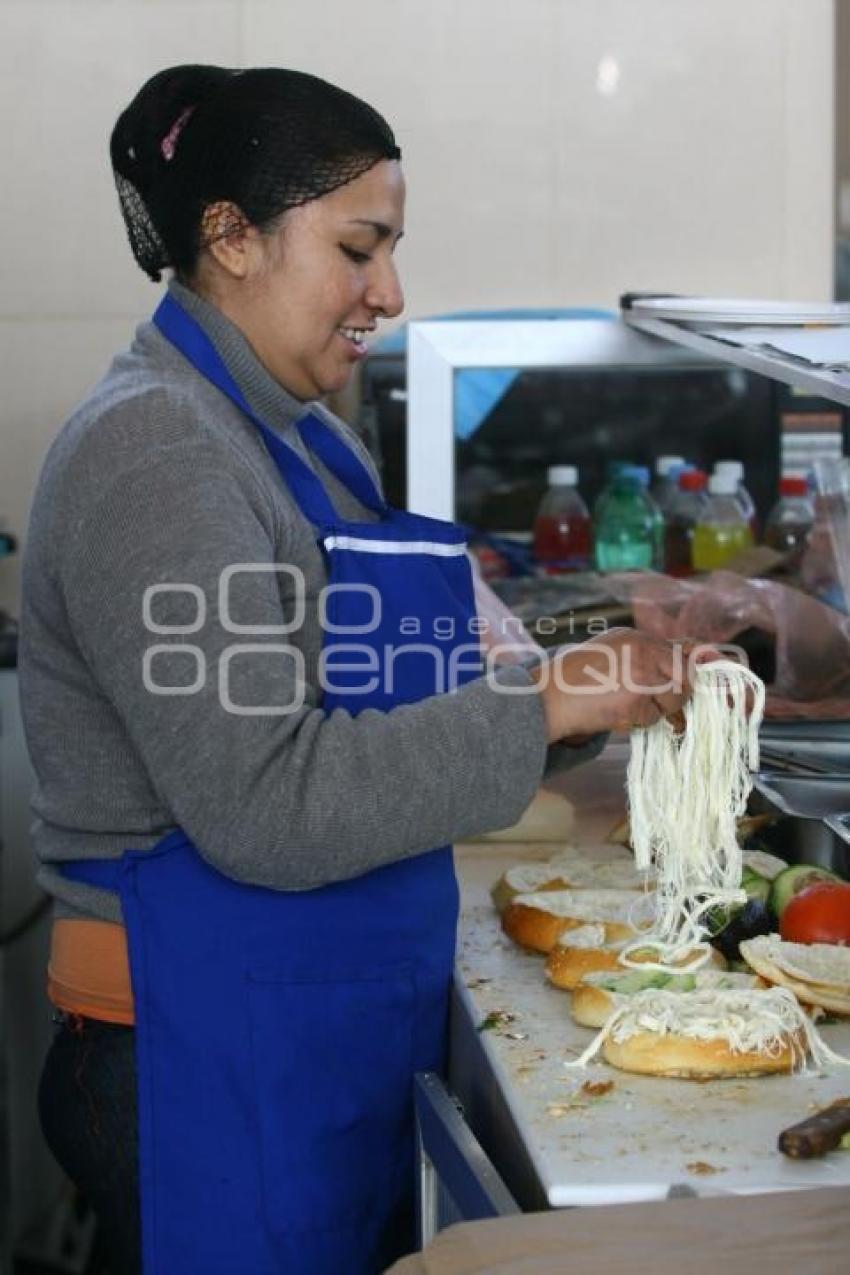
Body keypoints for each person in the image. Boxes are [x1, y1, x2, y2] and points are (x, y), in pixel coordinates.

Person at [19, 65, 694, 1275]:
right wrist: (537, 702)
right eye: (357, 247)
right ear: (230, 238)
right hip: (197, 1050)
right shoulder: (156, 454)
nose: (388, 291)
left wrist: (575, 689)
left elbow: (374, 699)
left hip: (294, 1016)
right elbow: (267, 805)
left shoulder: (295, 433)